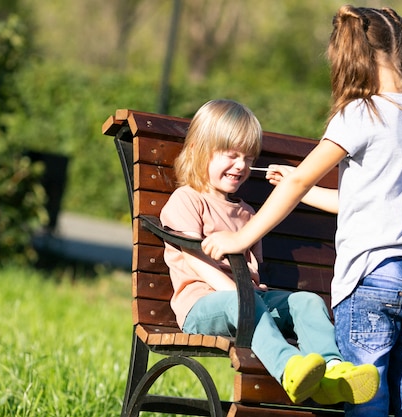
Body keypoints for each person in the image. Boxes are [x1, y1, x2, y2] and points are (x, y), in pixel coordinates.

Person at [201, 6, 402, 417]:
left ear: (351, 56)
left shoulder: (360, 113)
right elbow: (362, 200)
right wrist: (303, 186)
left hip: (370, 279)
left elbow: (298, 183)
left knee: (368, 400)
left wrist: (239, 238)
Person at [159, 98, 379, 406]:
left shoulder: (247, 213)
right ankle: (289, 368)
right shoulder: (188, 199)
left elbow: (253, 270)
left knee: (306, 302)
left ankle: (331, 372)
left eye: (248, 158)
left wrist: (249, 298)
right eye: (231, 155)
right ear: (197, 150)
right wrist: (242, 298)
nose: (241, 166)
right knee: (242, 303)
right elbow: (194, 260)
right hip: (201, 305)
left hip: (248, 302)